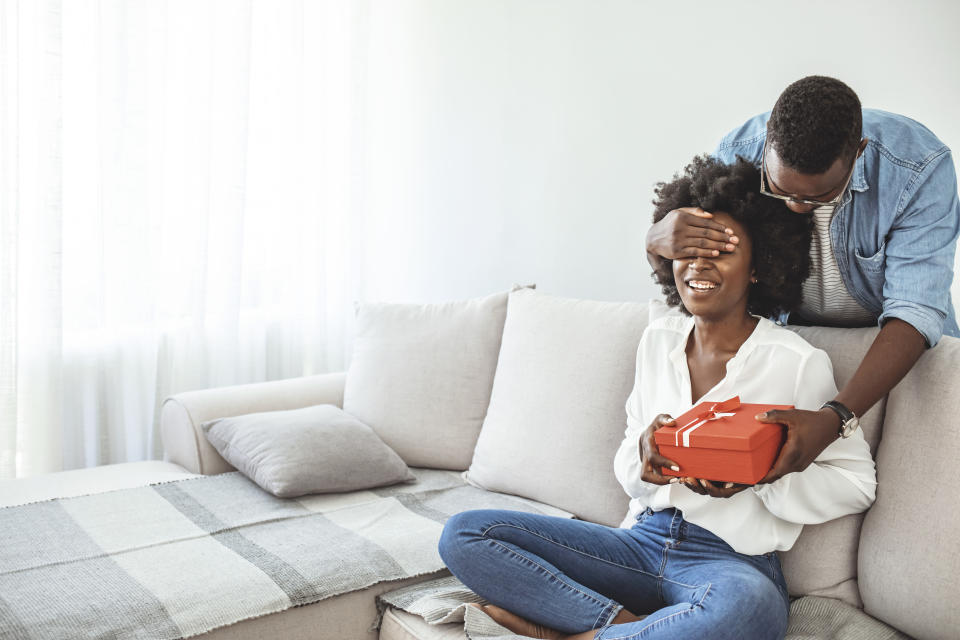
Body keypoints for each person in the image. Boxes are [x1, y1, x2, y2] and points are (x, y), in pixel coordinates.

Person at [437, 157, 877, 640]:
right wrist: (644, 460)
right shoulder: (658, 340)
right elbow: (630, 464)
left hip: (727, 561)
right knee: (465, 535)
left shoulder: (795, 361)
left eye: (722, 250)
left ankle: (581, 633)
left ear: (758, 266)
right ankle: (625, 628)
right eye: (689, 249)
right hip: (639, 543)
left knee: (751, 610)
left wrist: (762, 478)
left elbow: (856, 483)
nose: (700, 263)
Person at [646, 76, 960, 485]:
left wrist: (836, 417)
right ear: (768, 139)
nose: (796, 207)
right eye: (780, 190)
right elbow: (704, 277)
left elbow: (915, 308)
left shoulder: (918, 167)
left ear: (858, 152)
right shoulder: (738, 153)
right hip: (792, 337)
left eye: (817, 197)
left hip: (894, 349)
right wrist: (655, 242)